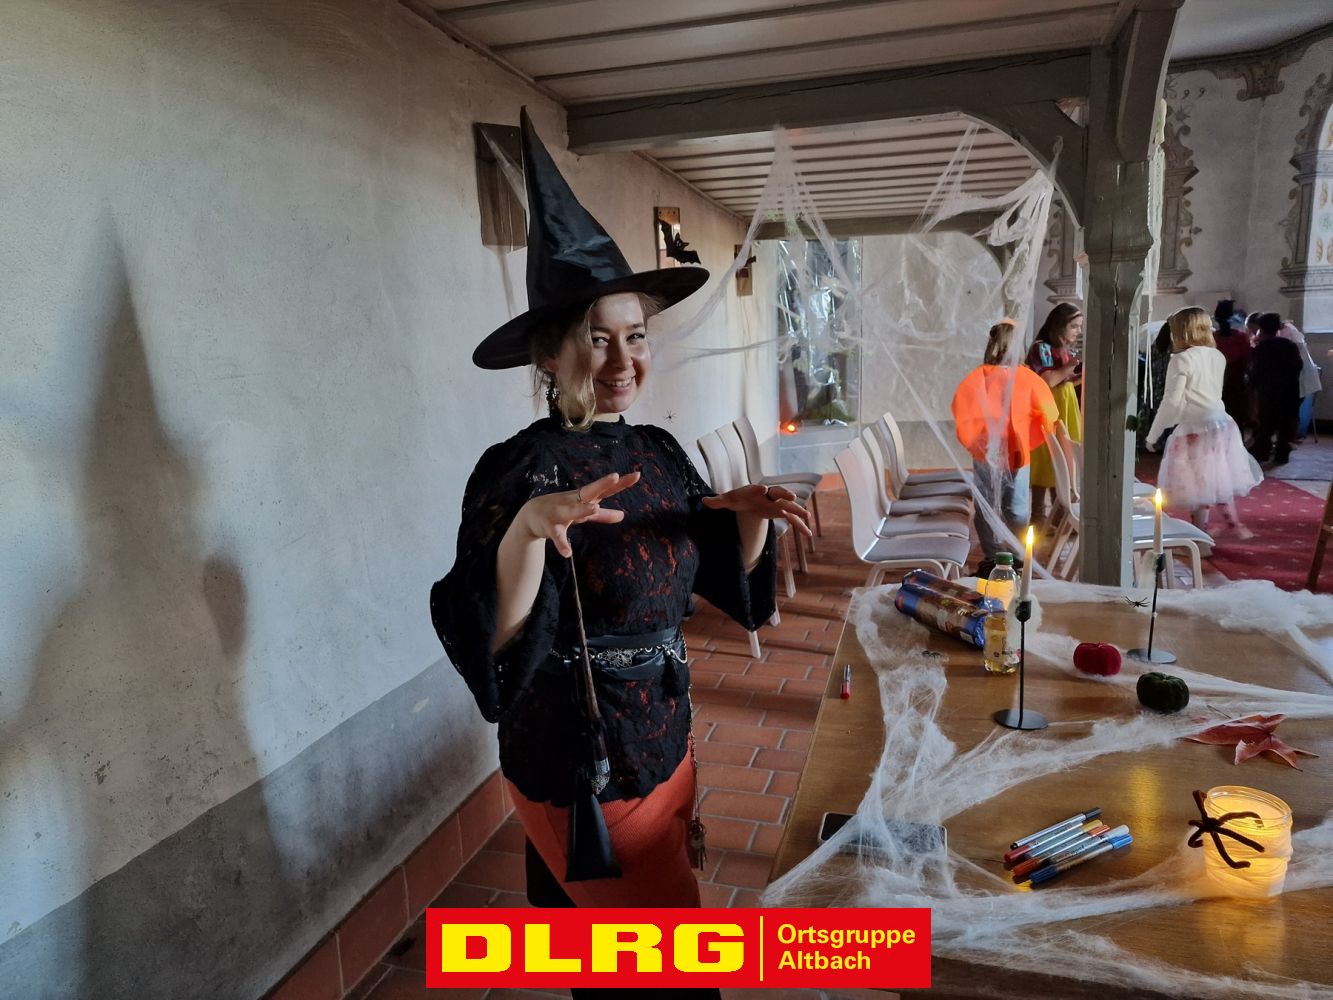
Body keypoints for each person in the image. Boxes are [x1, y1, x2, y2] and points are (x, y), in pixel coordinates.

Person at [430, 112, 809, 939]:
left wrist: (746, 521)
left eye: (634, 336)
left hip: (662, 730)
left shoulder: (656, 449)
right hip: (582, 755)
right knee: (662, 962)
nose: (622, 360)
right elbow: (495, 643)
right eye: (595, 339)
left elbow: (721, 577)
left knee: (600, 949)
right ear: (548, 354)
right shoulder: (519, 467)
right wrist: (527, 532)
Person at [952, 319, 1059, 576]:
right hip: (1018, 451)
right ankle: (1016, 557)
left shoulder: (978, 377)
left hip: (987, 450)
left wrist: (976, 437)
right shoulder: (1027, 378)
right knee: (1017, 508)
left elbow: (960, 407)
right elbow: (1049, 412)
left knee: (986, 505)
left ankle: (992, 556)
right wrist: (1033, 428)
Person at [1145, 306, 1261, 534]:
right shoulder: (1217, 356)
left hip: (1196, 427)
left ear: (1181, 332)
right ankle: (1229, 525)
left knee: (1196, 484)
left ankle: (1200, 535)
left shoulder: (1181, 359)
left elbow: (1172, 402)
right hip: (1222, 424)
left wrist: (1153, 434)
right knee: (1216, 477)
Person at [1025, 303, 1084, 521]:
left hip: (1064, 405)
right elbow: (1048, 380)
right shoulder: (1042, 348)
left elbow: (1064, 382)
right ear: (1059, 325)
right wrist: (1071, 366)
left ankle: (1060, 515)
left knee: (1065, 456)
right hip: (1048, 408)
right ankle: (1038, 515)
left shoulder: (1062, 348)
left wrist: (1081, 375)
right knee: (1047, 458)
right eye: (1074, 326)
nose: (1078, 331)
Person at [1250, 312, 1305, 465]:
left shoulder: (1261, 348)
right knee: (1286, 426)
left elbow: (1256, 373)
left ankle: (1262, 452)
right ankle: (1282, 453)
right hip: (1289, 392)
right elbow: (1298, 366)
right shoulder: (1290, 346)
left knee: (1266, 425)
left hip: (1269, 393)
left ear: (1261, 329)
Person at [1212, 300, 1254, 437]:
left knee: (1225, 419)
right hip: (1231, 384)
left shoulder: (1213, 339)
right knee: (1234, 419)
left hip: (1225, 384)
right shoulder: (1240, 338)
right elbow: (1247, 361)